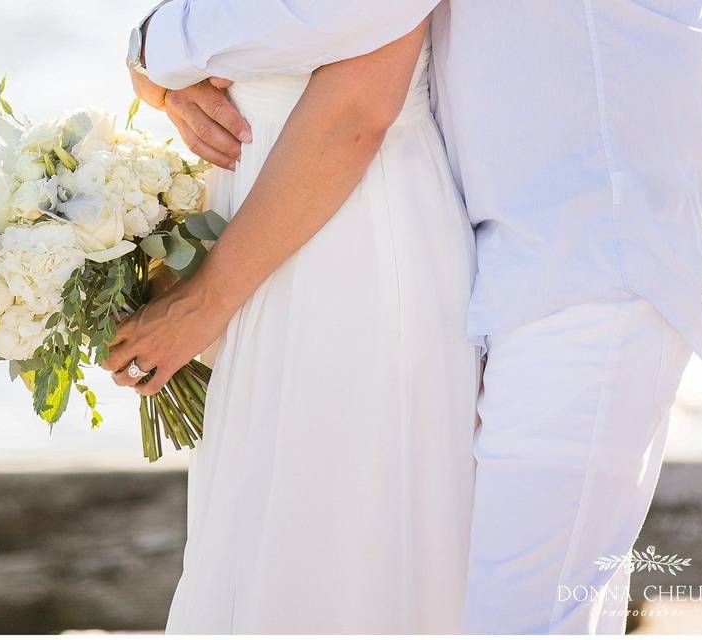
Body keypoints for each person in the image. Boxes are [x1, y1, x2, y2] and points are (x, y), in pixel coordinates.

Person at [110, 0, 702, 634]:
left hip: (591, 265)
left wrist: (155, 47)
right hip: (496, 261)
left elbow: (361, 35)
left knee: (520, 620)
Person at [104, 16, 478, 634]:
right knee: (257, 537)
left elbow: (355, 110)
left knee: (340, 549)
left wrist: (204, 303)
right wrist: (159, 76)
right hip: (255, 220)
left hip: (355, 229)